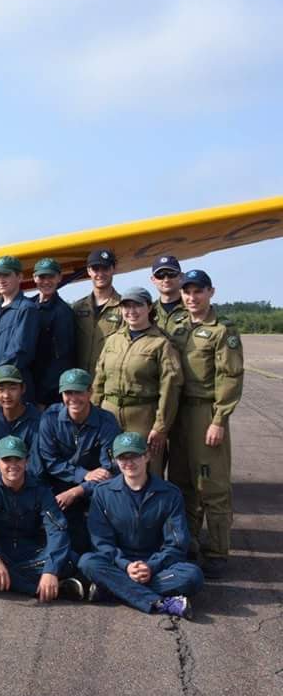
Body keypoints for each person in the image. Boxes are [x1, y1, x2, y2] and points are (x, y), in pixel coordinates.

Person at [168, 270, 244, 579]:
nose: (191, 297)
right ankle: (188, 545)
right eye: (187, 291)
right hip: (179, 412)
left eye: (198, 291)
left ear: (210, 292)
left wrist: (219, 419)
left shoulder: (222, 330)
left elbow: (231, 376)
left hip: (205, 412)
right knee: (183, 483)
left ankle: (217, 552)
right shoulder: (178, 326)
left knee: (212, 487)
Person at [79, 432, 203, 618]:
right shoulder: (103, 493)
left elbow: (177, 544)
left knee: (192, 576)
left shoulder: (169, 494)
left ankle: (112, 589)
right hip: (118, 563)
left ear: (147, 456)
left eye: (135, 456)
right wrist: (126, 565)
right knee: (87, 563)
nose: (129, 462)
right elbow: (101, 543)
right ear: (115, 460)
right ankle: (161, 603)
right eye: (122, 457)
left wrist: (151, 566)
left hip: (156, 566)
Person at [0, 435, 80, 601]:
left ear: (26, 461)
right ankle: (49, 590)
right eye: (7, 460)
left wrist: (50, 570)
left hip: (31, 553)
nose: (13, 465)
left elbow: (57, 529)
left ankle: (5, 582)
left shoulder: (41, 491)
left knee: (70, 559)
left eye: (18, 459)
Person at [92, 287, 183, 477]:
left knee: (146, 469)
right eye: (126, 306)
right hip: (109, 412)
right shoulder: (113, 340)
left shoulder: (161, 343)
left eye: (137, 305)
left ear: (149, 307)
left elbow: (170, 388)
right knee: (109, 465)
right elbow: (99, 379)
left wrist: (160, 426)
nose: (131, 311)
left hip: (143, 416)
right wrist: (93, 412)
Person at [34, 368, 121, 555]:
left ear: (90, 392)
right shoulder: (50, 418)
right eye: (68, 393)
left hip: (94, 488)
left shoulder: (107, 421)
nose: (73, 398)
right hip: (59, 485)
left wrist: (78, 490)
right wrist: (83, 474)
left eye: (79, 392)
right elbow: (50, 461)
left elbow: (109, 468)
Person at [0, 255, 39, 403]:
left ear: (20, 277)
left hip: (16, 389)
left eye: (6, 275)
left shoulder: (27, 309)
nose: (1, 280)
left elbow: (19, 351)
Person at [0, 365, 41, 484]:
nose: (6, 395)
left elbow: (36, 466)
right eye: (1, 389)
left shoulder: (39, 422)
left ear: (23, 389)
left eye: (13, 388)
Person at [30, 257, 76, 407]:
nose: (46, 281)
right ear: (34, 278)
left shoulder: (63, 312)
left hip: (47, 395)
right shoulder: (28, 306)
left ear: (59, 278)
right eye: (42, 277)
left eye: (51, 277)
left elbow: (61, 358)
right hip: (27, 386)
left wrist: (43, 397)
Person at [72, 247, 122, 375]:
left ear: (113, 269)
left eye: (105, 268)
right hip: (80, 383)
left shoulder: (124, 308)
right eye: (95, 269)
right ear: (89, 271)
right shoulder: (77, 308)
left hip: (109, 381)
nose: (100, 274)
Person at [148, 255, 189, 335]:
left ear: (181, 276)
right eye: (160, 275)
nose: (166, 280)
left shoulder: (193, 309)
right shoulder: (148, 313)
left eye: (171, 274)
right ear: (153, 279)